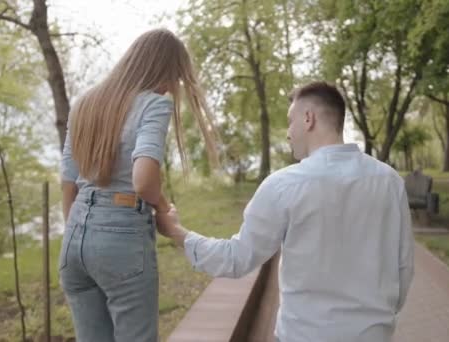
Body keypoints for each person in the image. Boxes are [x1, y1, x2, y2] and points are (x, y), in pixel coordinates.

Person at [156, 81, 415, 342]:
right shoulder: (390, 181)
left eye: (290, 122)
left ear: (308, 118)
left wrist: (176, 232)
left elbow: (236, 258)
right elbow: (403, 267)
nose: (288, 133)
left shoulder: (282, 185)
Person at [59, 28, 217, 342]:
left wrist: (79, 236)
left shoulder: (84, 104)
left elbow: (67, 180)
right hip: (120, 239)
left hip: (74, 242)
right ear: (163, 71)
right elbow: (143, 181)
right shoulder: (152, 105)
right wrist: (164, 207)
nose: (172, 88)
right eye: (175, 78)